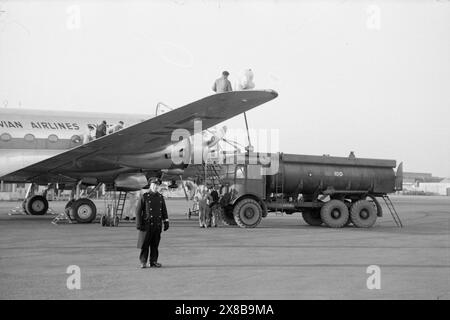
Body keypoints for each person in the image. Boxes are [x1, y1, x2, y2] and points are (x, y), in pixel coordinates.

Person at [135, 178, 169, 268]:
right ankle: (143, 262)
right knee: (145, 245)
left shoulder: (160, 197)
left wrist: (166, 221)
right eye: (153, 185)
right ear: (150, 185)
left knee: (155, 245)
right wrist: (139, 223)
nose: (155, 186)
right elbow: (138, 211)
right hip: (147, 225)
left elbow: (164, 210)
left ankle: (153, 261)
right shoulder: (145, 196)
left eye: (157, 185)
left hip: (157, 225)